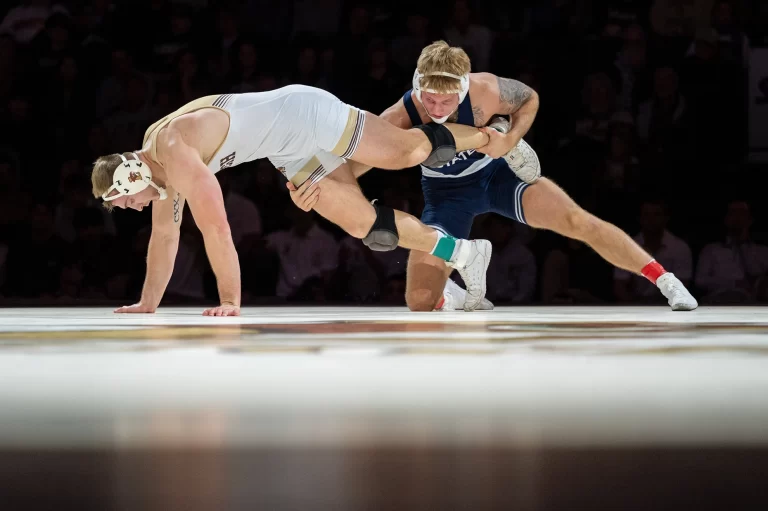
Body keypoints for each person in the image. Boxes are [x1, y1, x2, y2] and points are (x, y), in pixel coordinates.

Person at [289, 41, 698, 311]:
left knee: (577, 221)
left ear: (463, 88)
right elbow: (355, 164)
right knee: (417, 300)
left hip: (498, 177)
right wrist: (318, 186)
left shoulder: (485, 91)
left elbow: (530, 98)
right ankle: (456, 290)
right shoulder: (400, 116)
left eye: (445, 100)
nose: (435, 106)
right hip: (446, 196)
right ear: (418, 85)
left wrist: (513, 137)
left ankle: (665, 280)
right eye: (428, 98)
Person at [91, 85, 496, 316]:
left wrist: (230, 301)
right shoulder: (159, 167)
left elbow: (216, 228)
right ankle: (463, 253)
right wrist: (147, 303)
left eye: (123, 200)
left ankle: (492, 137)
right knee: (365, 226)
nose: (128, 208)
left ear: (130, 176)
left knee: (404, 153)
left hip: (303, 114)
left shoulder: (175, 150)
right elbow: (164, 236)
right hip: (286, 150)